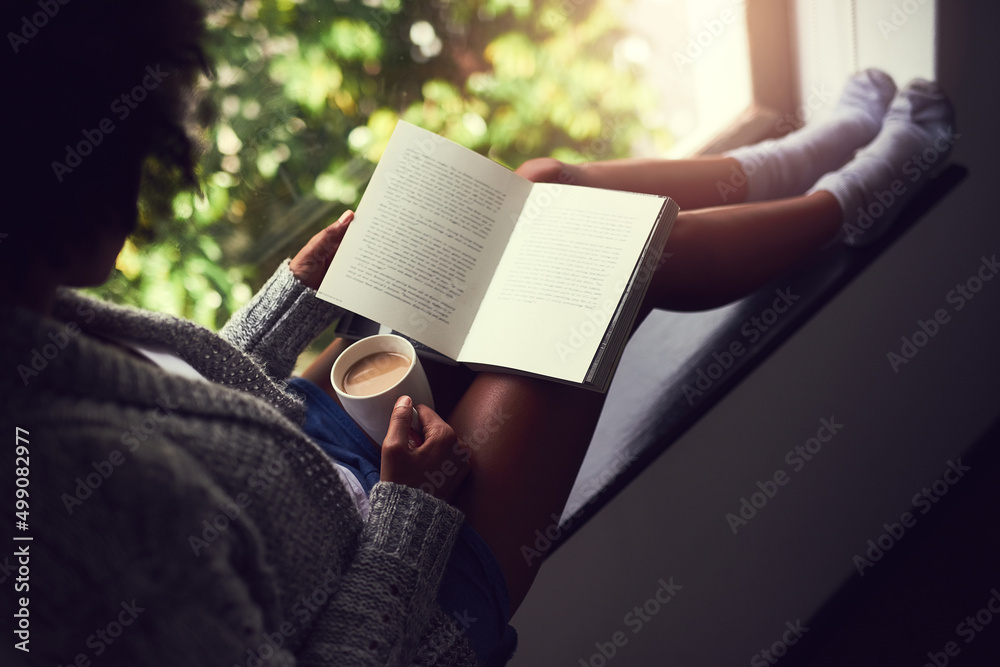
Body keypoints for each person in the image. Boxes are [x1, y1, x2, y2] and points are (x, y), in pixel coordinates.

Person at [0, 0, 955, 663]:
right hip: (409, 589)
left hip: (322, 441)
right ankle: (857, 199)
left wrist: (297, 291)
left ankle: (797, 156)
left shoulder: (30, 315)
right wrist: (410, 512)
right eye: (135, 161)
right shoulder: (73, 521)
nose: (142, 191)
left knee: (538, 185)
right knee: (603, 262)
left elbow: (183, 398)